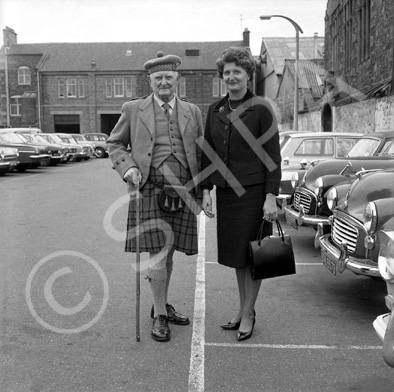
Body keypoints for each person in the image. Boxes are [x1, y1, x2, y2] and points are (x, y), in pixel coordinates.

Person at [106, 51, 203, 342]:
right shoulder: (134, 109)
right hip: (148, 188)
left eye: (169, 78)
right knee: (158, 252)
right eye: (158, 78)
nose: (164, 82)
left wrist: (204, 190)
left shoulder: (192, 111)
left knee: (169, 250)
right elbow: (114, 143)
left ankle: (160, 303)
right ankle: (160, 314)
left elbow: (200, 151)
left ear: (177, 80)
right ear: (150, 81)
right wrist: (129, 168)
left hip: (183, 190)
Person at [201, 46, 281, 341]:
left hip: (255, 193)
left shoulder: (260, 108)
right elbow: (208, 154)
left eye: (237, 71)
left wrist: (271, 196)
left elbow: (273, 156)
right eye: (227, 72)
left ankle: (248, 313)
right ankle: (243, 308)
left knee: (253, 256)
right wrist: (206, 189)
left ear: (248, 74)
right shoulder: (215, 109)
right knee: (238, 257)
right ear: (222, 76)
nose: (231, 77)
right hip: (227, 194)